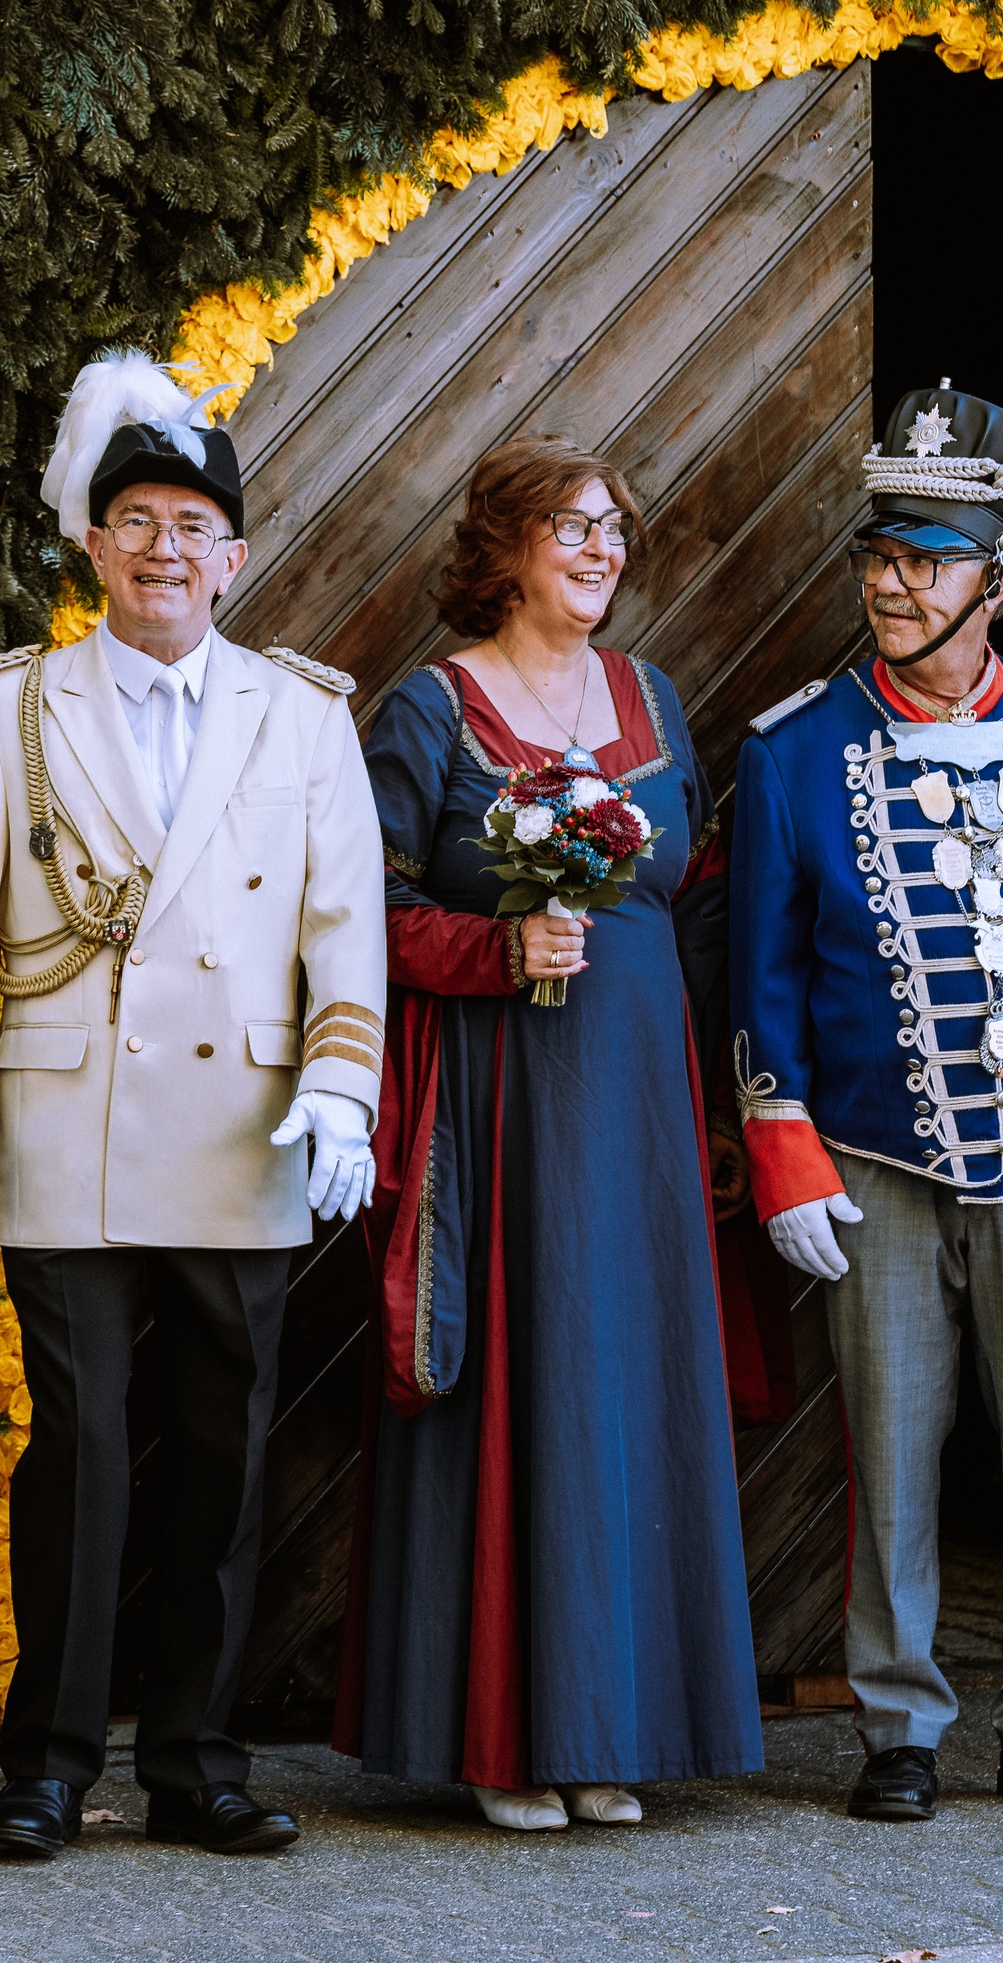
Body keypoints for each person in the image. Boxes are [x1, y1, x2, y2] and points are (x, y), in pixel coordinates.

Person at [0, 352, 385, 1858]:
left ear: (232, 557)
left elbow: (344, 924)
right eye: (137, 524)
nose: (165, 551)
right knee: (80, 1451)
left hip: (245, 1125)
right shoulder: (5, 709)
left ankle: (195, 1762)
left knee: (223, 1455)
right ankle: (45, 1764)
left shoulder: (303, 714)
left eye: (192, 527)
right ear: (94, 546)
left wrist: (344, 1088)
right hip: (71, 1122)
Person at [730, 386, 1003, 1823]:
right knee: (891, 1443)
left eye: (927, 560)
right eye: (881, 556)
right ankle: (901, 1723)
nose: (892, 584)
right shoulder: (794, 750)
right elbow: (763, 976)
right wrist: (783, 1140)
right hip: (874, 1155)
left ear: (998, 578)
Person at [339, 434, 762, 1831]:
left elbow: (696, 894)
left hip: (639, 1094)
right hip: (503, 1096)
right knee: (523, 1378)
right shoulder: (431, 711)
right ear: (504, 548)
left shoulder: (653, 697)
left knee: (626, 1384)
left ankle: (612, 1731)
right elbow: (363, 913)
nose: (599, 550)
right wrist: (497, 949)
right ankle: (506, 1738)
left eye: (612, 529)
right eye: (571, 527)